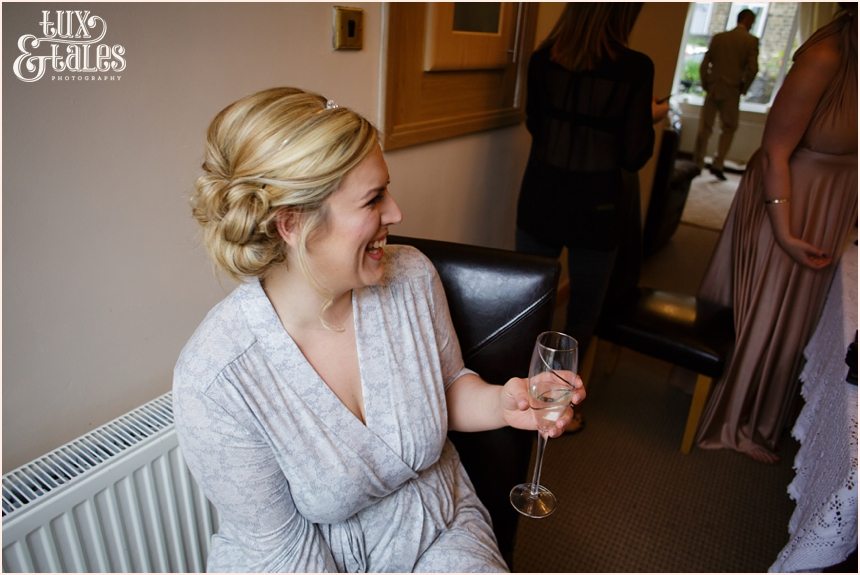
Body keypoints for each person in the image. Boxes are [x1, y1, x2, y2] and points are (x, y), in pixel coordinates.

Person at [173, 87, 585, 572]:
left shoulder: (409, 276)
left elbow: (446, 385)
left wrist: (503, 402)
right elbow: (280, 552)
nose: (396, 213)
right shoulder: (216, 379)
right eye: (373, 199)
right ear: (292, 224)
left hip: (441, 524)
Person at [695, 5, 857, 464]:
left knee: (799, 316)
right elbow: (774, 151)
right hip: (788, 201)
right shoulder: (824, 57)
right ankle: (740, 420)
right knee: (770, 312)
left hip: (828, 203)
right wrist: (784, 233)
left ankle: (768, 406)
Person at [515, 2, 667, 385]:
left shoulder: (541, 60)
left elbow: (537, 124)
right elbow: (634, 155)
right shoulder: (636, 68)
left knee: (527, 302)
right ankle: (563, 394)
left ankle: (519, 385)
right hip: (598, 206)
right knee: (582, 312)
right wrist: (649, 116)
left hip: (541, 196)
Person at [693, 9, 759, 180]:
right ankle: (718, 163)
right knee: (729, 128)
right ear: (747, 20)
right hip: (732, 90)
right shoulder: (751, 41)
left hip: (713, 88)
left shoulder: (719, 38)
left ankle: (698, 162)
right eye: (752, 21)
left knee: (705, 127)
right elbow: (753, 69)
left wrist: (706, 82)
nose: (753, 25)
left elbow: (705, 63)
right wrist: (743, 88)